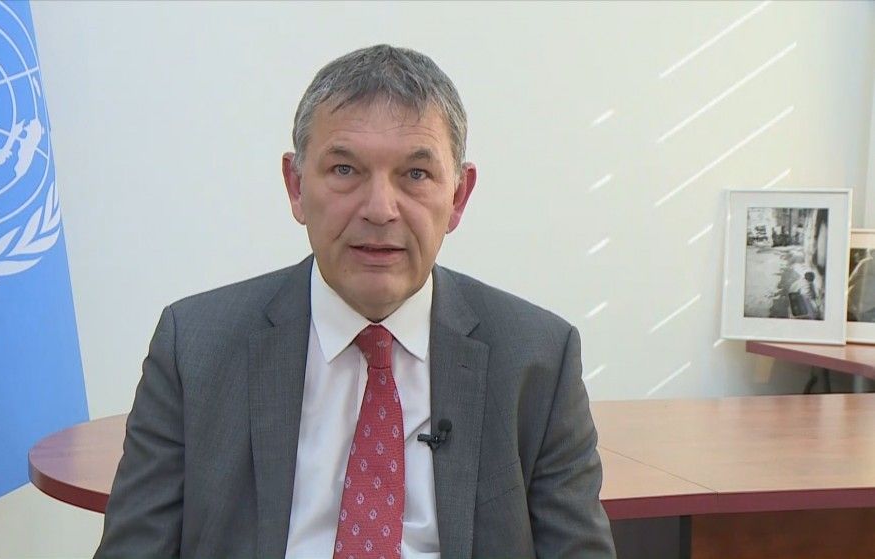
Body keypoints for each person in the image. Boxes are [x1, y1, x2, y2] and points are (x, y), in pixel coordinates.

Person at [95, 45, 614, 559]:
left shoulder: (537, 359)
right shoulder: (194, 348)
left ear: (458, 196)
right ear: (296, 186)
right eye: (345, 170)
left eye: (415, 175)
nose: (380, 209)